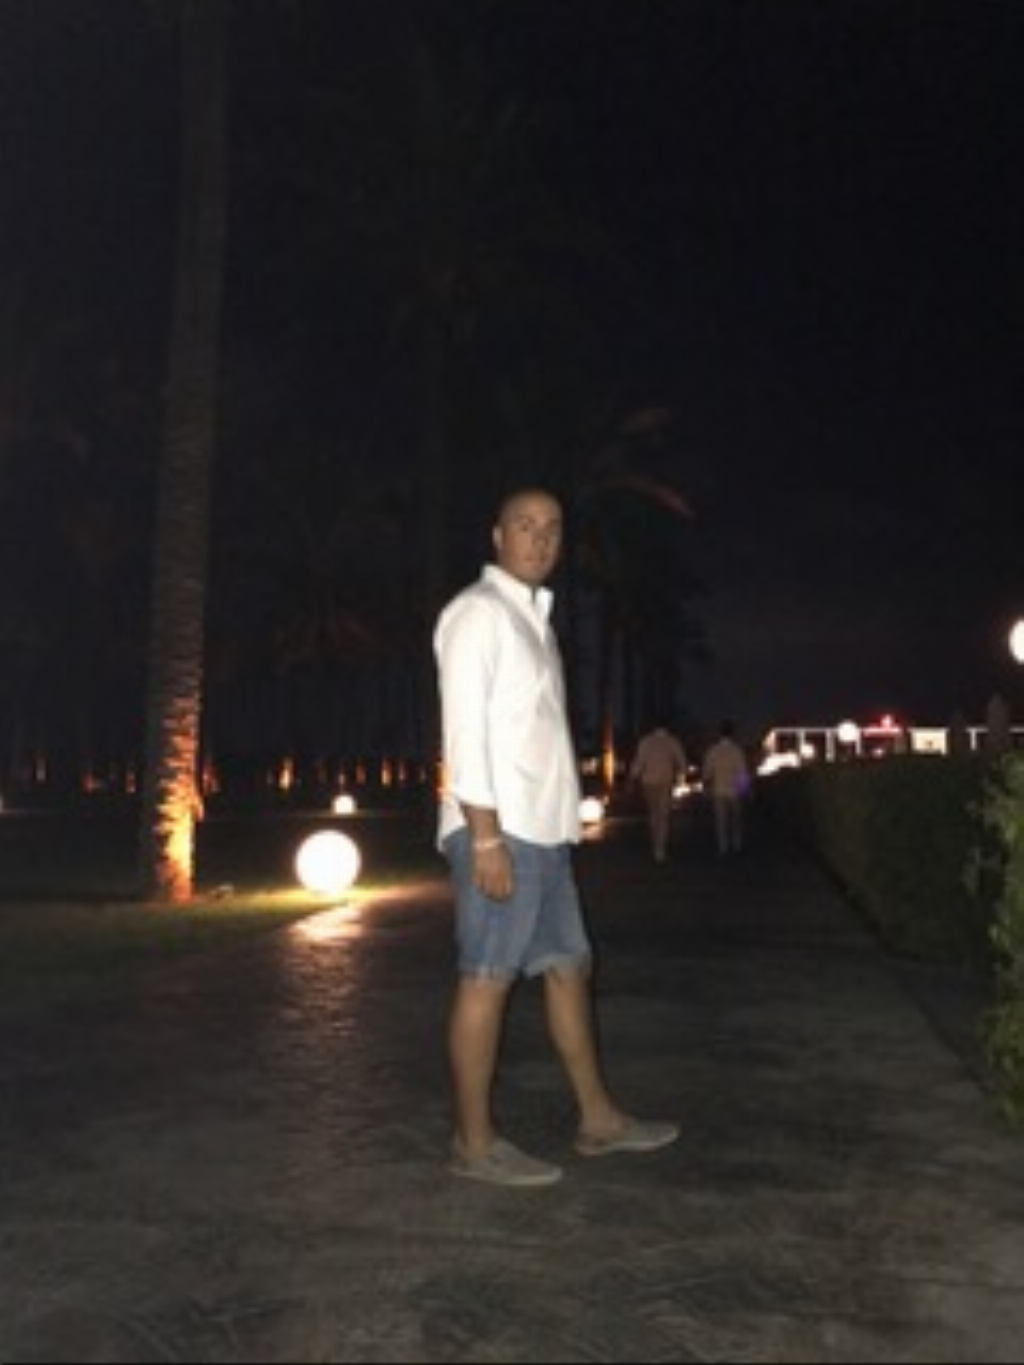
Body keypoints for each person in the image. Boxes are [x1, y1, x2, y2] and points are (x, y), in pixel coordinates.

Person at [434, 487, 679, 1188]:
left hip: (543, 833)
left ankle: (598, 1119)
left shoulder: (533, 623)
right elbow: (464, 732)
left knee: (570, 966)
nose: (540, 539)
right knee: (487, 976)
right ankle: (473, 1143)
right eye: (525, 525)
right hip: (500, 829)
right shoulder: (477, 613)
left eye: (552, 528)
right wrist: (485, 839)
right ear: (497, 534)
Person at [629, 720, 688, 862]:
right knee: (663, 815)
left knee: (653, 814)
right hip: (665, 781)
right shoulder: (672, 741)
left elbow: (639, 761)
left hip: (648, 781)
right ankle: (660, 848)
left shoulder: (645, 741)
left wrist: (633, 776)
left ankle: (655, 842)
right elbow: (681, 761)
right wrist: (681, 778)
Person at [701, 719, 750, 856]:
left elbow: (707, 772)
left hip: (719, 790)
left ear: (720, 733)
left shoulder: (713, 751)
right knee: (736, 820)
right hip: (734, 791)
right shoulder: (737, 751)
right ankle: (737, 845)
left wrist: (706, 786)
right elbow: (742, 772)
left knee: (720, 821)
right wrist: (744, 790)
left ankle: (723, 847)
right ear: (732, 733)